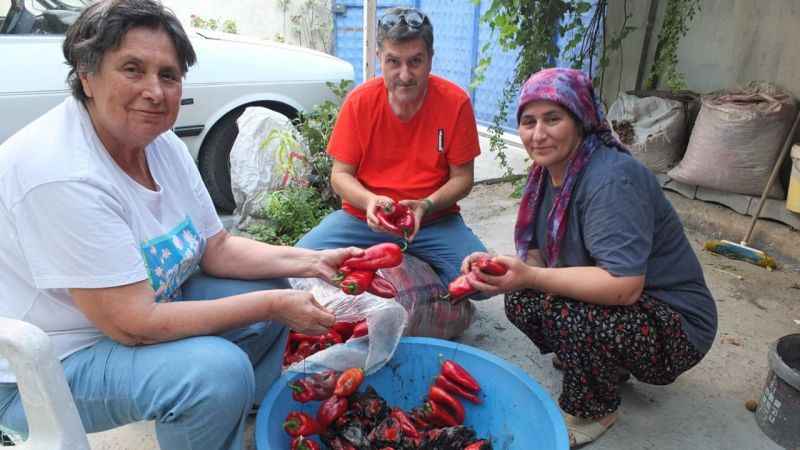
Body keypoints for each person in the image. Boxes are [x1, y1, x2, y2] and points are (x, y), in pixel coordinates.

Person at [0, 1, 360, 449]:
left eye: (168, 75)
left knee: (271, 282)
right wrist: (273, 304)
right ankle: (211, 401)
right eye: (132, 69)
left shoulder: (160, 143)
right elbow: (132, 324)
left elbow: (218, 247)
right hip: (45, 367)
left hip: (131, 313)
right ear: (87, 75)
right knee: (215, 373)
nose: (155, 91)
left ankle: (237, 409)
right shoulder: (62, 171)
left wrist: (314, 260)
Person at [462, 68, 717, 447]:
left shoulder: (612, 179)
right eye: (528, 122)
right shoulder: (545, 176)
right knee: (520, 297)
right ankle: (601, 365)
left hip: (676, 325)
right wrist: (496, 267)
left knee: (572, 314)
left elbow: (624, 286)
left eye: (553, 118)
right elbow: (534, 260)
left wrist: (529, 276)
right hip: (632, 308)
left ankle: (596, 408)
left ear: (581, 120)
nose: (538, 133)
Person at [296, 6, 487, 289]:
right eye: (393, 62)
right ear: (379, 60)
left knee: (480, 282)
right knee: (298, 265)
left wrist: (426, 205)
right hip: (363, 220)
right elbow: (340, 175)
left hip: (433, 221)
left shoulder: (455, 103)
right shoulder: (359, 102)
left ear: (431, 59)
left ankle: (414, 273)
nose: (405, 74)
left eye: (415, 61)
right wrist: (370, 201)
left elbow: (463, 178)